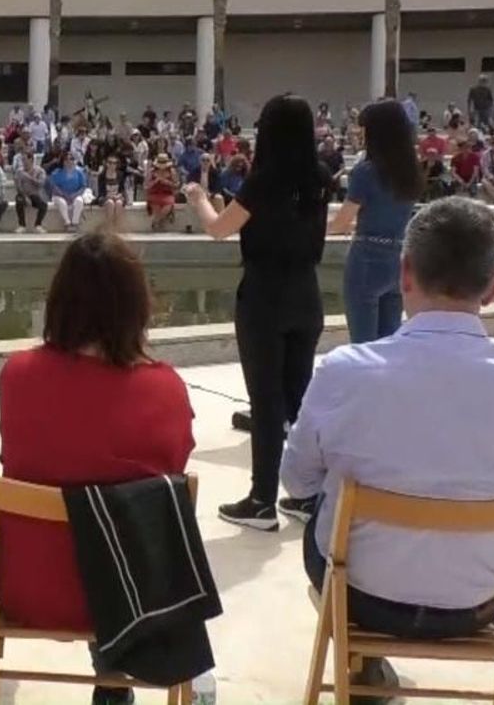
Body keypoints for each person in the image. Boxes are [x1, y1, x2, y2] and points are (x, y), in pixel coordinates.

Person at [283, 197, 494, 698]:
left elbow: (296, 481)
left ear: (404, 274)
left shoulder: (346, 370)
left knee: (329, 503)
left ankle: (362, 659)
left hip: (361, 596)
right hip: (477, 602)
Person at [0, 231, 194, 684]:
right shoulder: (165, 388)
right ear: (137, 306)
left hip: (34, 588)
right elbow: (172, 474)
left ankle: (112, 681)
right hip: (137, 598)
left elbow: (17, 455)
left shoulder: (18, 375)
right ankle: (113, 679)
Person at [185, 94, 330, 531]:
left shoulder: (264, 180)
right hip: (308, 293)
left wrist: (198, 198)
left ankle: (262, 499)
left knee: (266, 403)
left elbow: (218, 229)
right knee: (300, 400)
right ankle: (307, 494)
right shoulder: (320, 176)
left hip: (265, 296)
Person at [328, 100, 422, 346]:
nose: (360, 134)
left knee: (363, 346)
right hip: (398, 259)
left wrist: (312, 226)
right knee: (389, 343)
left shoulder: (365, 172)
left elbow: (341, 222)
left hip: (367, 259)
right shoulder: (410, 171)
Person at [48, 152, 90, 232]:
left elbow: (83, 186)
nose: (69, 161)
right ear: (63, 161)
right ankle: (67, 223)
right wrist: (64, 195)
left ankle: (75, 223)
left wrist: (75, 195)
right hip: (59, 195)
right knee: (62, 202)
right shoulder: (56, 173)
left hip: (75, 194)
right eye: (66, 159)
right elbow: (54, 186)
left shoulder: (79, 172)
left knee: (79, 201)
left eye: (71, 159)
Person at [12, 150, 49, 234]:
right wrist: (25, 196)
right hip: (23, 194)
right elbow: (18, 186)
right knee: (19, 201)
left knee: (43, 205)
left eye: (25, 160)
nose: (23, 162)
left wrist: (29, 177)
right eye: (22, 160)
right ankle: (22, 225)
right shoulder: (19, 171)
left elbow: (41, 184)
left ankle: (38, 225)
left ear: (31, 159)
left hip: (35, 194)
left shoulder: (40, 171)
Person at [145, 151, 179, 232]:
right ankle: (159, 224)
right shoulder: (152, 172)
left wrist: (167, 182)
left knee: (167, 205)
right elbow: (146, 186)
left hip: (167, 194)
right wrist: (156, 181)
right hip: (154, 193)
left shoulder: (172, 172)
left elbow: (177, 184)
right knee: (156, 205)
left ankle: (156, 222)